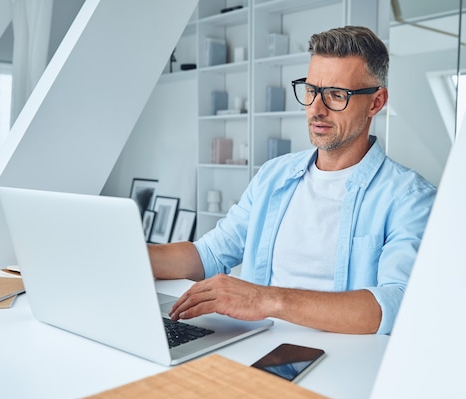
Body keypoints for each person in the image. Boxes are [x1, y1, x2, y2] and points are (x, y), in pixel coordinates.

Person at [148, 25, 436, 335]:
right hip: (254, 344)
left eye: (336, 95)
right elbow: (210, 254)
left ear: (376, 102)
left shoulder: (410, 197)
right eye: (311, 90)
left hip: (338, 361)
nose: (316, 109)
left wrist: (268, 300)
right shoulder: (274, 176)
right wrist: (127, 255)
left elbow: (396, 303)